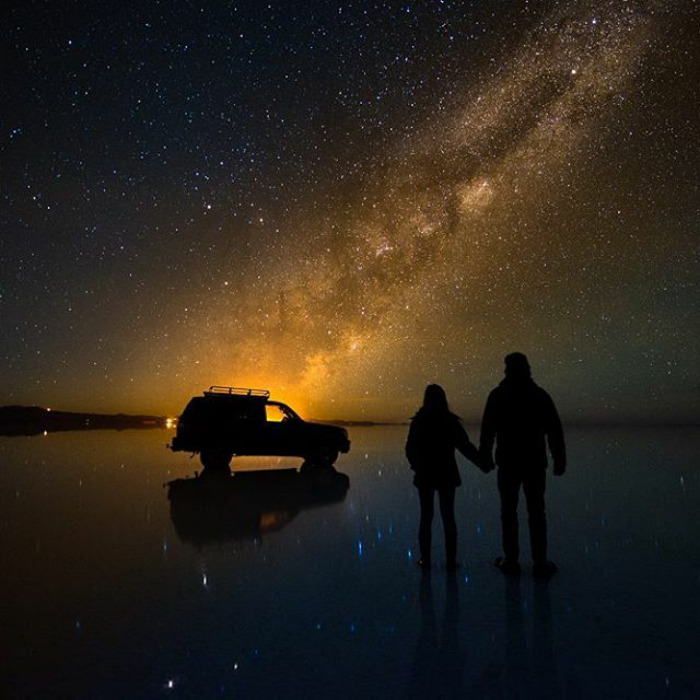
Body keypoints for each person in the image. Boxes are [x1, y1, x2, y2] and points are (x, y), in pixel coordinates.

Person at [480, 353, 566, 578]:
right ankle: (539, 564)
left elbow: (488, 431)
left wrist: (486, 457)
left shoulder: (498, 396)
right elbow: (554, 430)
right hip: (534, 463)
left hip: (509, 463)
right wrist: (559, 459)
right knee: (536, 512)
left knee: (509, 512)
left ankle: (512, 562)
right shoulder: (539, 396)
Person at [406, 384, 485, 571]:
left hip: (425, 475)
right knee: (448, 516)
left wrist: (417, 467)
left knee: (426, 517)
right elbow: (465, 446)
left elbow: (410, 449)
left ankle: (426, 560)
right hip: (446, 474)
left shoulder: (419, 421)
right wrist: (483, 463)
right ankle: (450, 561)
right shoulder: (449, 421)